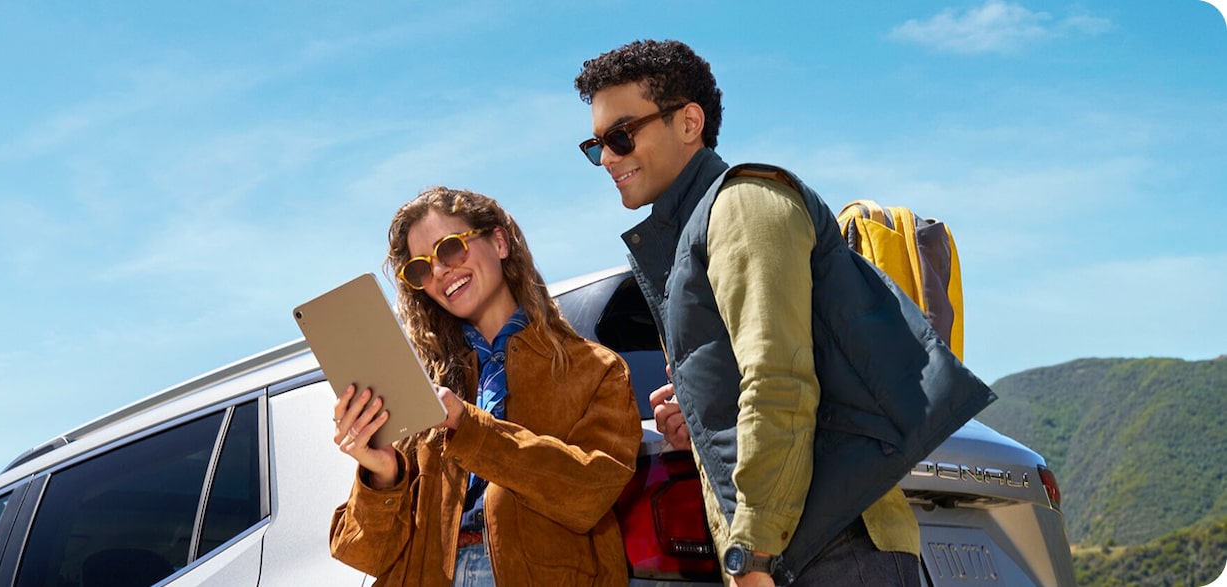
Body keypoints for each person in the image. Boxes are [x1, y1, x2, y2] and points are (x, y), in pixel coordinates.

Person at [573, 40, 923, 586]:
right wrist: (701, 415)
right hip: (803, 547)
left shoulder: (741, 204)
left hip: (827, 548)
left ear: (689, 121)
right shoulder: (690, 238)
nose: (609, 159)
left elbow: (779, 380)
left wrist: (752, 553)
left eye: (621, 136)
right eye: (597, 147)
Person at [327, 186, 642, 586]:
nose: (439, 271)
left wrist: (470, 427)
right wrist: (382, 476)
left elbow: (591, 492)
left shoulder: (594, 369)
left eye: (450, 249)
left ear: (499, 241)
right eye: (421, 269)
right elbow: (363, 553)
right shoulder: (421, 388)